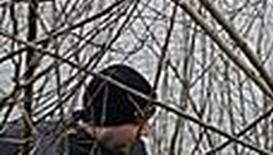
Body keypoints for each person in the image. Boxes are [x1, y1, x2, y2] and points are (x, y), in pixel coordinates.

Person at [0, 64, 156, 155]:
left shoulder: (133, 148)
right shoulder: (40, 147)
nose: (147, 131)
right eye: (139, 123)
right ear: (111, 121)